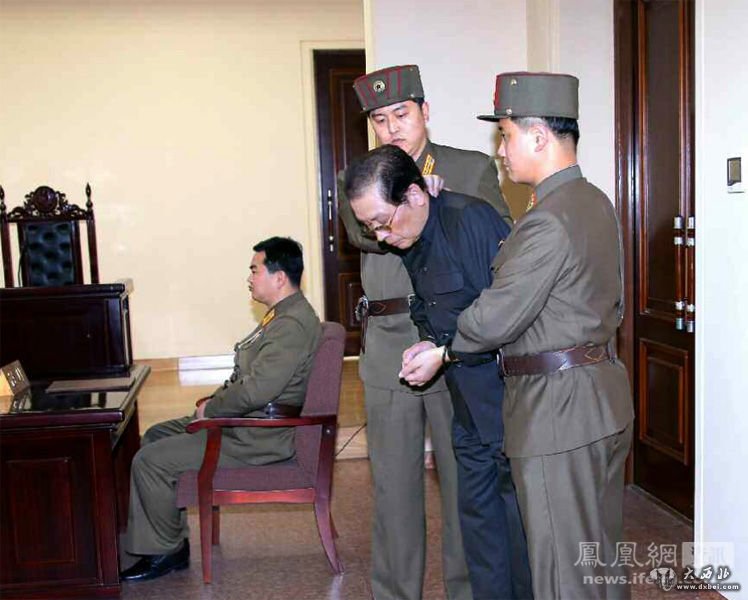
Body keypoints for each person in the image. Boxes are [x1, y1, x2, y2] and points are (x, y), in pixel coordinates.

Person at [400, 72, 635, 600]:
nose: (500, 151)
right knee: (598, 558)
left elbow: (494, 318)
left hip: (557, 412)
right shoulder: (592, 201)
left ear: (539, 137)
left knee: (562, 572)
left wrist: (444, 349)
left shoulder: (548, 220)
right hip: (599, 396)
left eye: (505, 135)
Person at [338, 64, 513, 600]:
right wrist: (409, 197)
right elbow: (360, 232)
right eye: (379, 119)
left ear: (425, 112)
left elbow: (499, 245)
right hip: (389, 341)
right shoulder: (362, 179)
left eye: (402, 114)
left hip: (451, 344)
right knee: (392, 487)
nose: (392, 127)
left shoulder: (469, 167)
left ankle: (468, 591)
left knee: (465, 483)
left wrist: (440, 203)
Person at [120, 236, 322, 582]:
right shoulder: (282, 316)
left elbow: (257, 390)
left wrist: (212, 410)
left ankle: (165, 551)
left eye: (254, 270)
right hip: (242, 423)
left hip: (256, 438)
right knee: (155, 435)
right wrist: (211, 404)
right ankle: (168, 536)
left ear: (279, 277)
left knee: (149, 461)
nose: (249, 278)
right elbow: (248, 378)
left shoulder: (291, 325)